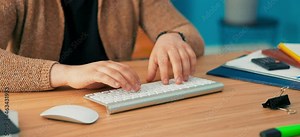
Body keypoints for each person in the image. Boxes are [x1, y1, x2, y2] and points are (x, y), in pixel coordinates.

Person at [0, 0, 204, 92]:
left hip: (115, 102)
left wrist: (173, 37)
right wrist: (68, 74)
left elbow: (187, 32)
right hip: (44, 108)